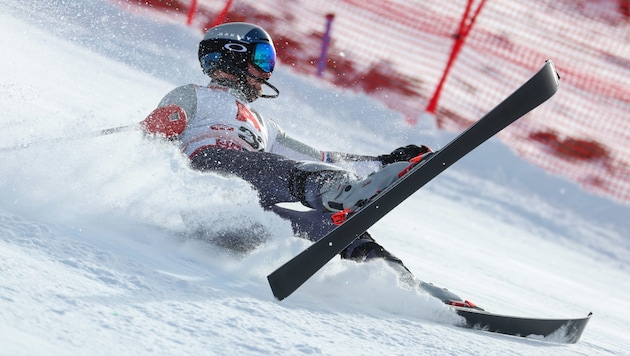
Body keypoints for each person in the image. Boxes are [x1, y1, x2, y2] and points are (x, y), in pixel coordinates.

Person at [142, 22, 476, 308]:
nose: (266, 72)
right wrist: (163, 125)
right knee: (275, 169)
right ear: (231, 54)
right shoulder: (194, 94)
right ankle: (347, 192)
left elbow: (321, 160)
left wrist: (384, 162)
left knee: (337, 222)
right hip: (207, 185)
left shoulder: (264, 125)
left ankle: (399, 282)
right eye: (261, 59)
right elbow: (151, 137)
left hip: (246, 223)